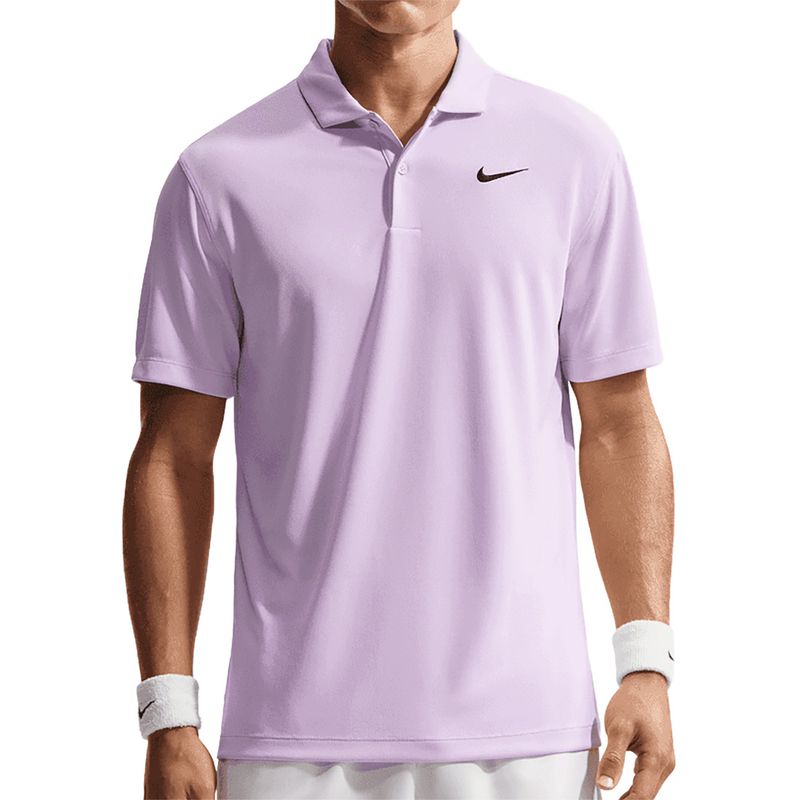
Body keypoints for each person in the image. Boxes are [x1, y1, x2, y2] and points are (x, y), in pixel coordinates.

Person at [123, 2, 676, 798]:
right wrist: (167, 713)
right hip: (292, 742)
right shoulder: (218, 175)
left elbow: (620, 423)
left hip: (530, 734)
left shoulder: (572, 153)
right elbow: (173, 457)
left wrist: (646, 662)